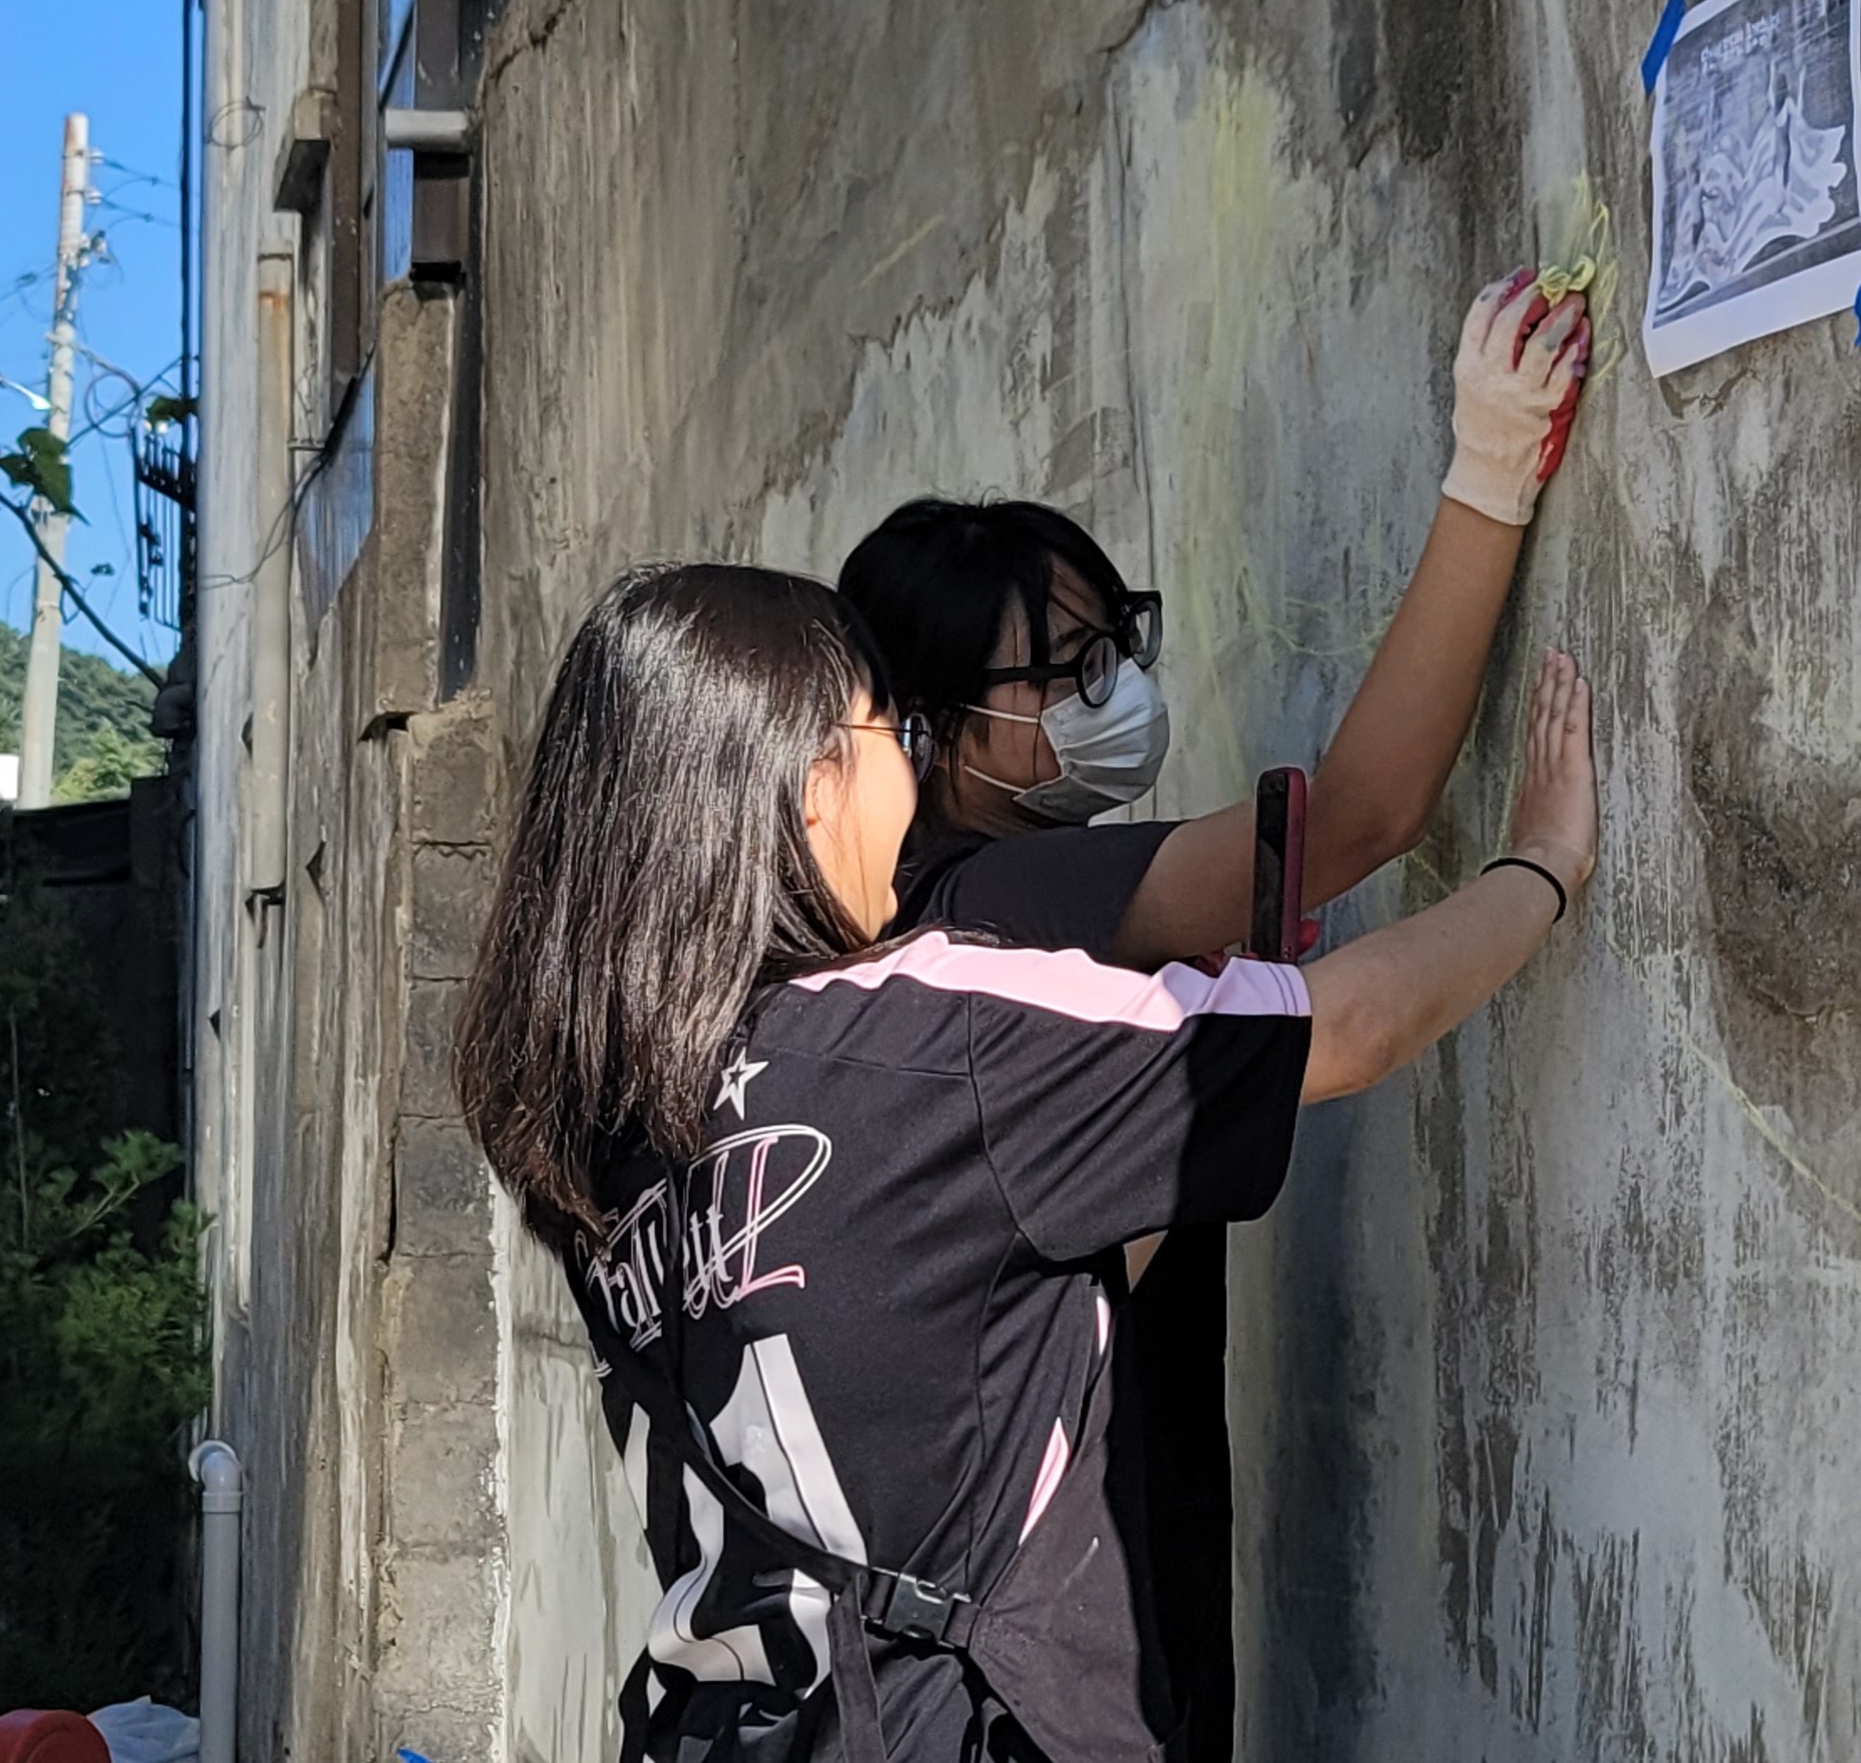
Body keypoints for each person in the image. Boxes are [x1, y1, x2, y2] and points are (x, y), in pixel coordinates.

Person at [453, 565, 1596, 1763]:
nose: (908, 778)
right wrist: (1543, 864)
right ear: (810, 784)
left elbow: (959, 1313)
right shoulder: (937, 1033)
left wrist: (1115, 1125)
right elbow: (1348, 1024)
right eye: (887, 734)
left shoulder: (603, 1120)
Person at [833, 271, 1588, 1755]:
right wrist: (1492, 473)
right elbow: (1360, 818)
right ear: (936, 729)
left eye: (1118, 646)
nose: (1112, 691)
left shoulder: (930, 928)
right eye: (1067, 671)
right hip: (1067, 1663)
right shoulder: (999, 915)